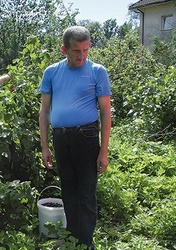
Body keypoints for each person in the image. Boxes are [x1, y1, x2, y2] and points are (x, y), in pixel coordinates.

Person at [38, 26, 112, 249]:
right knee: (69, 192)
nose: (82, 56)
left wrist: (104, 151)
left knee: (86, 194)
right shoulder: (51, 72)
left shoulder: (97, 71)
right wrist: (45, 146)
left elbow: (106, 112)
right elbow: (44, 111)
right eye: (76, 51)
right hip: (61, 139)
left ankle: (85, 243)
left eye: (86, 50)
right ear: (64, 49)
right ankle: (72, 239)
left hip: (87, 138)